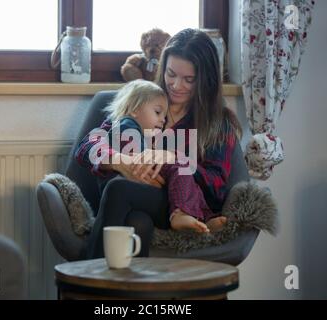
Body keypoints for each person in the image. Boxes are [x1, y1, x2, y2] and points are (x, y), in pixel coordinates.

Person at [75, 28, 242, 259]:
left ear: (206, 80)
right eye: (171, 74)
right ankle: (127, 291)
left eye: (189, 79)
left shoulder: (218, 123)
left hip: (177, 204)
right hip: (134, 201)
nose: (176, 85)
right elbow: (87, 146)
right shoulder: (144, 98)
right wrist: (120, 161)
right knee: (138, 222)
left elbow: (216, 185)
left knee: (118, 189)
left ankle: (86, 283)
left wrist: (175, 159)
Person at [96, 79, 222, 233]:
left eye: (164, 115)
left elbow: (215, 181)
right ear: (135, 109)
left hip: (136, 183)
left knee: (187, 177)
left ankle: (203, 218)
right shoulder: (127, 124)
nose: (163, 120)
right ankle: (182, 213)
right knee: (181, 168)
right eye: (157, 112)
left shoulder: (217, 122)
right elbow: (142, 157)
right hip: (128, 179)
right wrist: (164, 155)